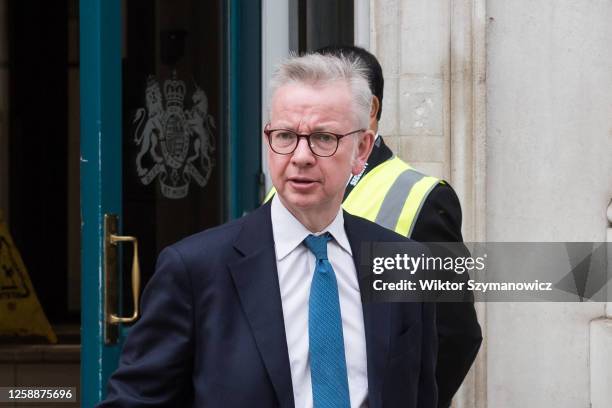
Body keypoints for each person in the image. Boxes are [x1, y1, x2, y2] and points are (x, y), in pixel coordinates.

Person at [98, 54, 437, 407]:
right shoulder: (195, 270)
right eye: (286, 135)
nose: (301, 156)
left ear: (361, 149)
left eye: (323, 138)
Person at [265, 45, 482, 408]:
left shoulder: (422, 196)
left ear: (371, 111)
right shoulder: (284, 189)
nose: (302, 155)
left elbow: (454, 333)